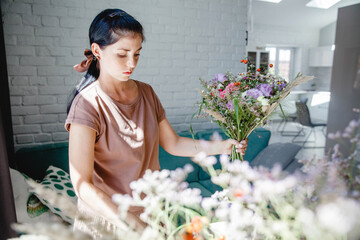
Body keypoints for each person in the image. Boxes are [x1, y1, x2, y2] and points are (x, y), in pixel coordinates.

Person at [65, 8, 247, 238]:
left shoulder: (146, 92)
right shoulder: (87, 105)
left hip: (151, 214)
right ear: (96, 50)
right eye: (122, 54)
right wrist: (130, 223)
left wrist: (222, 147)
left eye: (137, 53)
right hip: (109, 222)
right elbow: (83, 187)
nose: (131, 63)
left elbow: (173, 143)